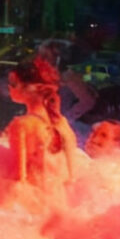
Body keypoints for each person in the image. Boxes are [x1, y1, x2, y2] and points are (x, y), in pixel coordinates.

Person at [6, 57, 79, 196]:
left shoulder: (21, 125)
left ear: (32, 88)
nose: (9, 87)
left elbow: (20, 181)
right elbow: (71, 176)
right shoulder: (61, 123)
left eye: (13, 83)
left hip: (34, 202)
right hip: (62, 198)